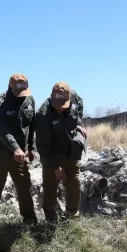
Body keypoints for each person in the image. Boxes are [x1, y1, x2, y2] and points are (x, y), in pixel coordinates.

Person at [0, 73, 37, 227]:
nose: (21, 97)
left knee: (24, 188)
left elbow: (31, 125)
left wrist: (31, 147)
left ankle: (29, 222)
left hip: (20, 154)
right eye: (17, 93)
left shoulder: (30, 100)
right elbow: (2, 129)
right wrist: (15, 148)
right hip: (0, 151)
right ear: (10, 88)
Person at [36, 82, 87, 222]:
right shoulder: (42, 114)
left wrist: (78, 123)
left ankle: (72, 217)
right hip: (51, 153)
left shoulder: (74, 97)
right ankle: (51, 220)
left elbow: (80, 105)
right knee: (50, 186)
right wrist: (56, 168)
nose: (60, 109)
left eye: (63, 105)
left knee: (74, 184)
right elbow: (42, 147)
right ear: (51, 97)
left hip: (69, 151)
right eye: (57, 105)